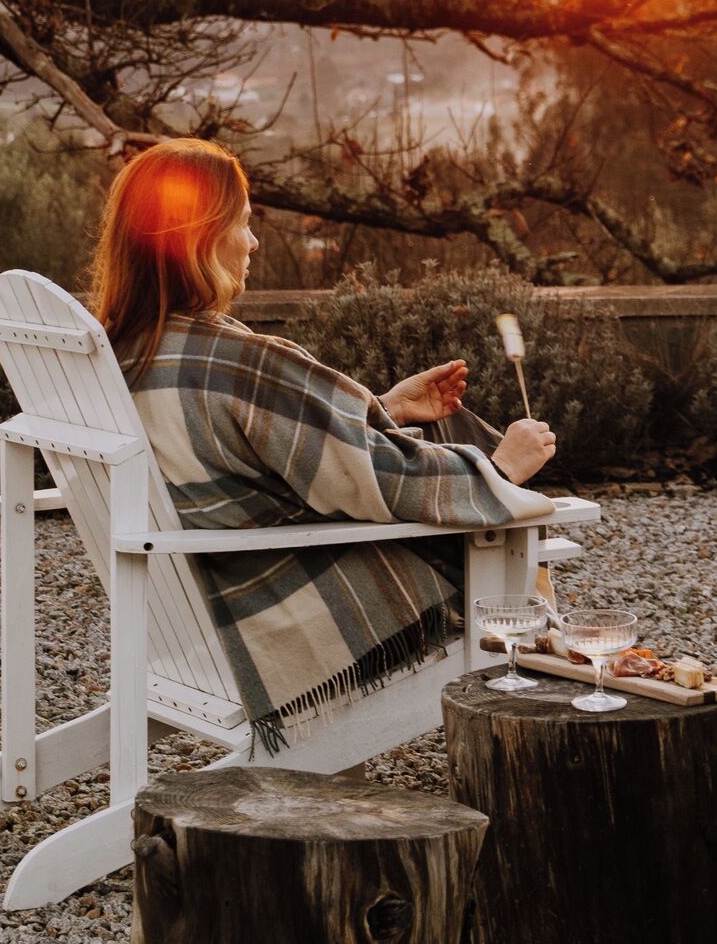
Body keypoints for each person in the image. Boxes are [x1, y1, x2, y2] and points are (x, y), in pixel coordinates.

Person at [87, 140, 559, 753]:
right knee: (512, 539)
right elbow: (379, 480)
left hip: (195, 617)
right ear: (199, 236)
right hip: (281, 622)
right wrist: (499, 469)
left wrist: (383, 409)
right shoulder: (241, 364)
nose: (252, 243)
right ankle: (553, 717)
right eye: (246, 223)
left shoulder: (124, 355)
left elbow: (242, 452)